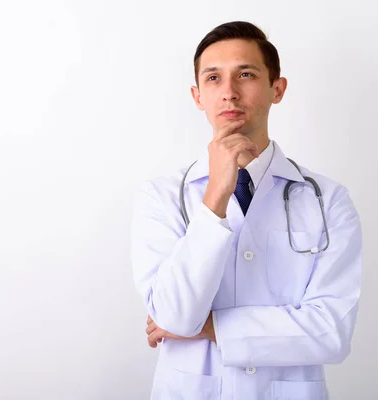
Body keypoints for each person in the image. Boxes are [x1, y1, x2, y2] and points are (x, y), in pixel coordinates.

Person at [130, 21, 362, 400]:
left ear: (277, 88)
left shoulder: (328, 199)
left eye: (246, 74)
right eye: (213, 78)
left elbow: (331, 332)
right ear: (197, 95)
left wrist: (210, 327)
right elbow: (172, 317)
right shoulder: (162, 197)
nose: (229, 93)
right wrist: (216, 196)